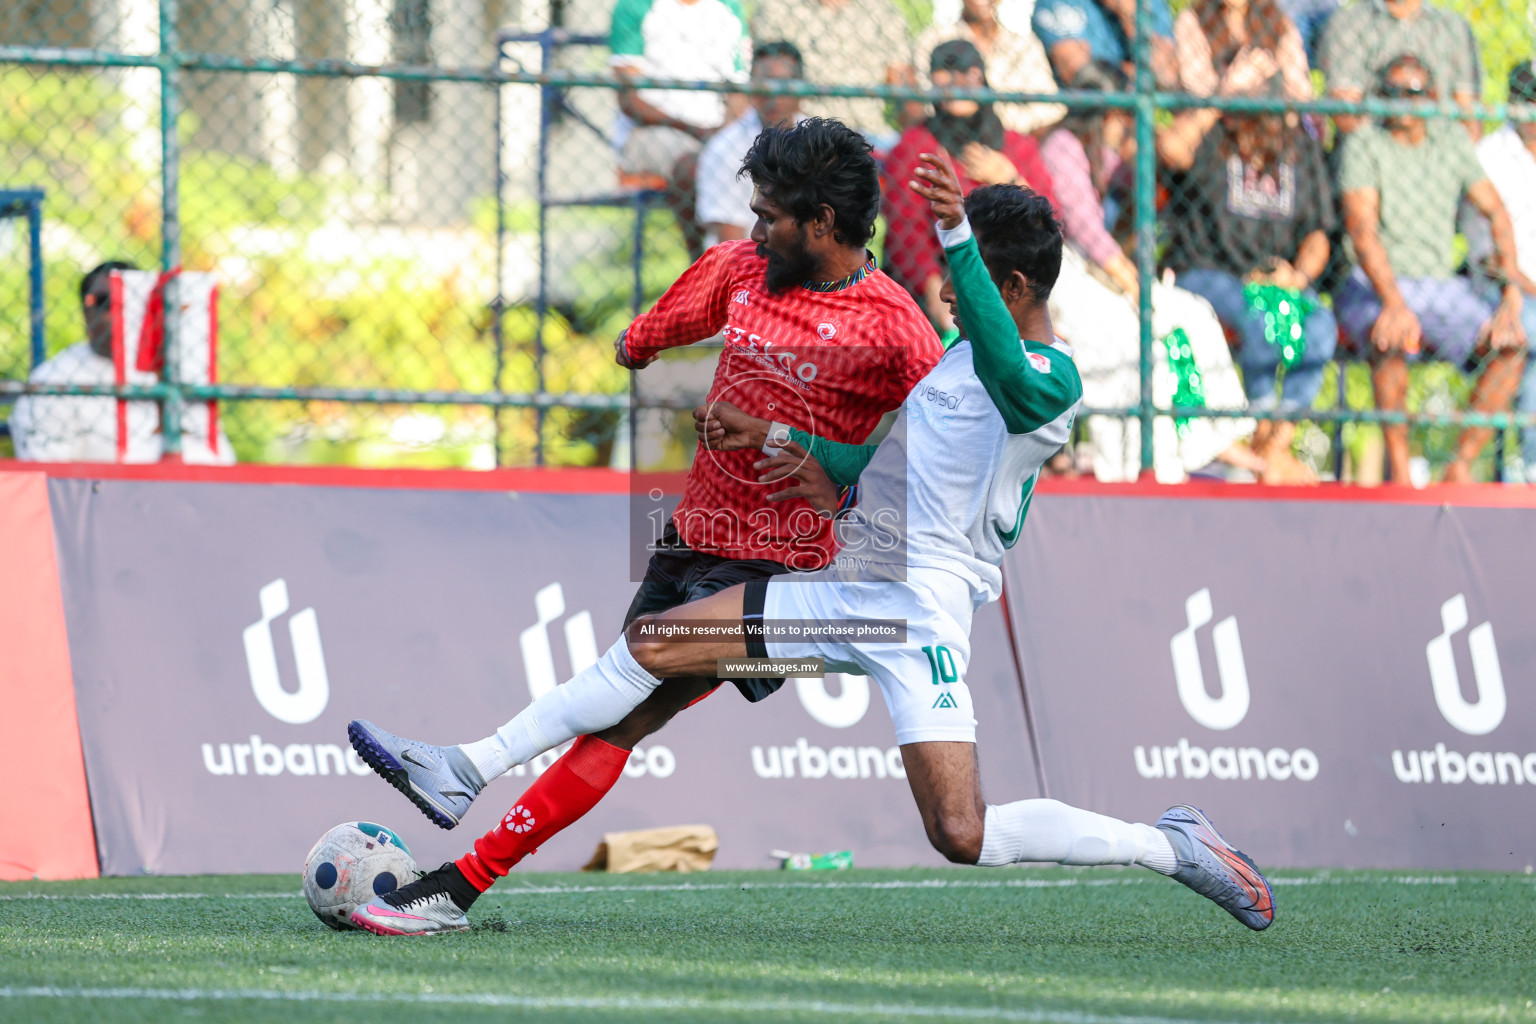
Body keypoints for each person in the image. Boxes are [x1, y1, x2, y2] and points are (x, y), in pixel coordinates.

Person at [345, 156, 1276, 937]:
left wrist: (955, 236)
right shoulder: (957, 362)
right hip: (853, 589)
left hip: (918, 610)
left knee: (962, 832)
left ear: (1016, 288)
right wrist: (787, 445)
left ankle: (1171, 848)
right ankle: (463, 772)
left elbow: (1002, 364)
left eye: (970, 279)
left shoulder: (1047, 381)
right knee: (654, 648)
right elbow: (881, 453)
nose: (949, 291)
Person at [350, 117, 942, 858]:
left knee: (633, 685)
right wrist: (645, 341)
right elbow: (642, 340)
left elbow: (938, 455)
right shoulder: (738, 270)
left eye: (769, 217)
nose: (754, 231)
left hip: (779, 573)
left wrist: (820, 465)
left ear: (822, 223)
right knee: (619, 714)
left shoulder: (895, 329)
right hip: (692, 536)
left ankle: (463, 784)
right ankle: (461, 824)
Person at [1037, 63, 1261, 483]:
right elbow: (1087, 230)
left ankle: (1217, 438)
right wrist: (1133, 285)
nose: (1125, 125)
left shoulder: (1097, 149)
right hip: (1063, 275)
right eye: (1122, 115)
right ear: (1103, 114)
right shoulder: (1063, 146)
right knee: (1137, 342)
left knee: (1194, 313)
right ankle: (1135, 466)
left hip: (1097, 274)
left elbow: (1138, 171)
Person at [1336, 56, 1527, 484]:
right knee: (1391, 335)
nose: (1402, 103)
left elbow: (1497, 213)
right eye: (1392, 93)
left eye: (1414, 93)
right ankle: (1401, 473)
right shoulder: (1364, 143)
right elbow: (1362, 231)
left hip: (1441, 288)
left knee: (1512, 345)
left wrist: (1511, 298)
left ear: (1433, 97)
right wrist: (1393, 302)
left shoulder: (1450, 142)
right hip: (1374, 283)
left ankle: (1457, 467)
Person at [1159, 86, 1337, 482]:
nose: (1274, 130)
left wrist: (1298, 276)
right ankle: (1261, 426)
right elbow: (1170, 149)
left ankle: (1277, 442)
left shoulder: (1300, 151)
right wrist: (1218, 98)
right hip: (1207, 272)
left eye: (1283, 121)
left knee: (1320, 323)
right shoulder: (1216, 140)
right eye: (1263, 120)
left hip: (1276, 279)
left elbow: (1318, 235)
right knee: (1258, 317)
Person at [883, 39, 1059, 332]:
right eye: (946, 72)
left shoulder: (1016, 147)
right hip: (945, 285)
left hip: (1015, 283)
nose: (957, 81)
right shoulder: (916, 147)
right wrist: (941, 307)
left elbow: (1050, 223)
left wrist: (1011, 178)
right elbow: (907, 237)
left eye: (967, 72)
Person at [608, 0, 752, 259]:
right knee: (695, 166)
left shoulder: (729, 7)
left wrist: (726, 132)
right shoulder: (635, 6)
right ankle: (701, 267)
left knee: (756, 162)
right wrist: (694, 129)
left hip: (718, 129)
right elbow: (631, 100)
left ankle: (752, 271)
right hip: (654, 129)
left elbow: (739, 94)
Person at [1463, 61, 1536, 478]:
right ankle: (1530, 472)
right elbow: (1490, 258)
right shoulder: (1490, 155)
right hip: (1498, 288)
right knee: (1525, 323)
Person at [11, 261, 160, 463]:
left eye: (134, 300)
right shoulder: (52, 379)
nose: (120, 312)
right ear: (85, 312)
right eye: (105, 301)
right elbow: (47, 477)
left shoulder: (175, 370)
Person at [751, 0, 914, 148]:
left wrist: (915, 136)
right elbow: (761, 71)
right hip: (805, 128)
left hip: (869, 131)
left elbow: (901, 80)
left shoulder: (881, 10)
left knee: (903, 158)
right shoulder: (778, 7)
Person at [697, 41, 805, 247]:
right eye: (765, 84)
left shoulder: (820, 141)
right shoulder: (724, 147)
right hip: (746, 264)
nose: (773, 95)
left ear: (801, 89)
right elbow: (730, 240)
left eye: (783, 84)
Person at [1317, 0, 1480, 136]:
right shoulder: (1350, 23)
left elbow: (1469, 117)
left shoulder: (1452, 27)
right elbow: (1346, 116)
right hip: (1373, 156)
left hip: (1440, 155)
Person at [910, 0, 1067, 136]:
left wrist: (1015, 143)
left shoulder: (1023, 45)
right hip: (953, 140)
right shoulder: (935, 39)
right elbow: (926, 105)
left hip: (1021, 141)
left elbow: (1048, 110)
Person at [1172, 0, 1312, 103]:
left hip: (1270, 124)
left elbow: (1301, 89)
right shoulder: (1193, 19)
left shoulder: (1277, 20)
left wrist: (1273, 75)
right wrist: (1232, 84)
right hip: (1218, 127)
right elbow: (1197, 91)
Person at [1032, 0, 1179, 89]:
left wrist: (1128, 13)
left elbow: (1167, 76)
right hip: (1095, 122)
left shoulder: (1150, 3)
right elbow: (1088, 81)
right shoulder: (1056, 2)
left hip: (1150, 121)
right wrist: (1142, 75)